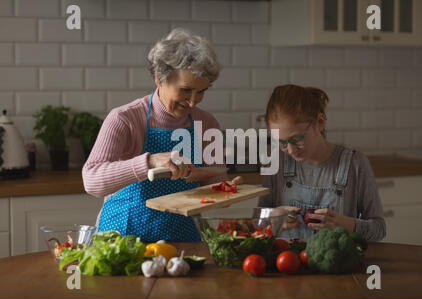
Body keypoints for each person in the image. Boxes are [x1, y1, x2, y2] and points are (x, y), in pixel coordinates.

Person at [83, 28, 242, 242]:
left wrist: (225, 191)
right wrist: (149, 161)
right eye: (186, 90)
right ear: (159, 79)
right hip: (122, 237)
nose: (194, 101)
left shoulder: (206, 124)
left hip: (182, 237)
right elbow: (92, 181)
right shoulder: (124, 119)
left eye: (201, 91)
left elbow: (212, 185)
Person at [258, 84, 386, 241]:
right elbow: (258, 223)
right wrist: (271, 217)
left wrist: (347, 225)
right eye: (281, 142)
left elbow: (379, 229)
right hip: (286, 263)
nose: (290, 150)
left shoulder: (355, 163)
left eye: (297, 139)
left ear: (320, 122)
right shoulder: (276, 161)